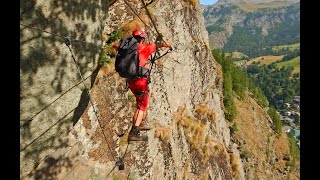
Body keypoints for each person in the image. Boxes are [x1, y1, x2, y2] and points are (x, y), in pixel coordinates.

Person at [127, 29, 172, 142]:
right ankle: (134, 132)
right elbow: (160, 45)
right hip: (140, 82)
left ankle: (139, 123)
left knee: (140, 104)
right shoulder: (145, 48)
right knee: (141, 107)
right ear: (143, 39)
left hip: (131, 81)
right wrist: (168, 45)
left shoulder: (128, 49)